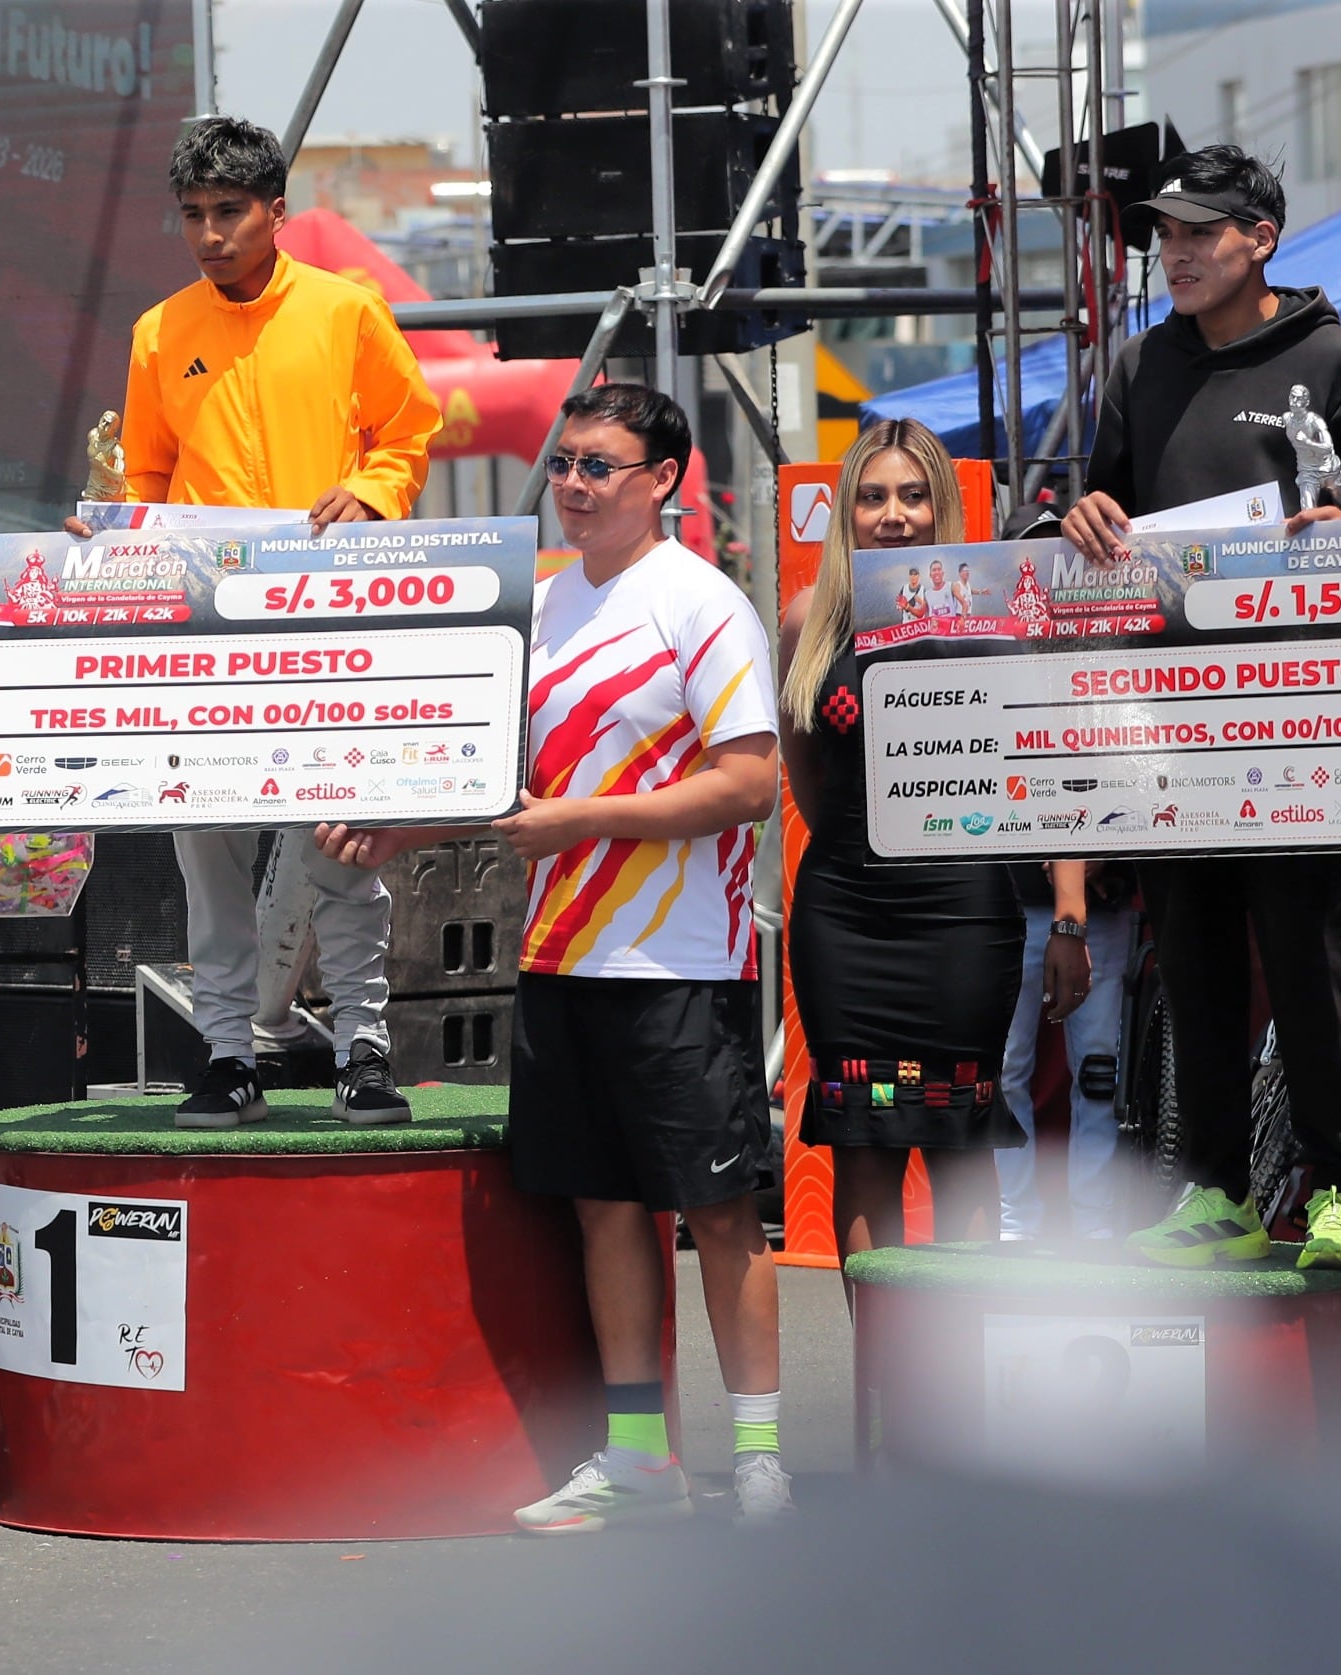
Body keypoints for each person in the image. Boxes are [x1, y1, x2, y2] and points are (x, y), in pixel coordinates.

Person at [318, 384, 792, 1529]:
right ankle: (640, 1459)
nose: (572, 487)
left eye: (599, 466)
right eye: (565, 464)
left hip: (681, 960)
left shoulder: (701, 603)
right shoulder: (539, 606)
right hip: (562, 960)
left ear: (663, 479)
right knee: (603, 1209)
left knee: (718, 1213)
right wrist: (400, 829)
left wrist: (583, 821)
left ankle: (762, 1455)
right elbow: (500, 787)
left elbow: (749, 784)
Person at [1060, 145, 1341, 1272]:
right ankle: (1216, 1191)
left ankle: (1337, 1195)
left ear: (1258, 239)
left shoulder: (1335, 360)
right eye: (1161, 234)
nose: (1172, 252)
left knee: (1317, 965)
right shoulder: (1138, 366)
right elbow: (1098, 511)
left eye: (1197, 233)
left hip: (1304, 730)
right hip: (1175, 732)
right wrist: (1076, 514)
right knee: (1196, 963)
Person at [96, 114, 441, 1128]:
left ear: (275, 210)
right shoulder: (160, 331)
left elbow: (409, 429)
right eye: (194, 215)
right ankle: (226, 1054)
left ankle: (362, 1051)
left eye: (229, 212)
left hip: (329, 618)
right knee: (204, 847)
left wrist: (373, 494)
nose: (209, 233)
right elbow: (145, 479)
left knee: (339, 838)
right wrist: (117, 529)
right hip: (203, 632)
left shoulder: (346, 310)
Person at [781, 419, 1086, 1255]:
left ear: (943, 508)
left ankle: (960, 1380)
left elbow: (1056, 776)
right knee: (863, 1149)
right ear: (846, 511)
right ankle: (881, 1382)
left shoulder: (1003, 618)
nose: (893, 515)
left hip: (966, 915)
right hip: (844, 918)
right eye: (873, 496)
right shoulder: (808, 620)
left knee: (960, 1145)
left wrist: (1068, 917)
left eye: (913, 496)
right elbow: (811, 782)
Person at [996, 864, 1134, 1239]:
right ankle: (1013, 1221)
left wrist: (1109, 851)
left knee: (1100, 1073)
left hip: (1100, 905)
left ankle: (1094, 1221)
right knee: (1003, 1071)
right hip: (1004, 899)